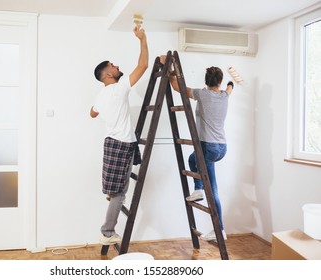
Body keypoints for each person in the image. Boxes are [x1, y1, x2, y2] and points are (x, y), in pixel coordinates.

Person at [161, 56, 233, 242]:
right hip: (222, 147)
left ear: (206, 81)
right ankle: (198, 189)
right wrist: (232, 82)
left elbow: (178, 88)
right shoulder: (225, 95)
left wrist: (170, 74)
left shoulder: (202, 94)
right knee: (193, 159)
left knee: (213, 190)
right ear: (220, 81)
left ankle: (220, 230)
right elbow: (230, 88)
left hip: (207, 147)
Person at [90, 26, 148, 245]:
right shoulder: (118, 88)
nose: (117, 66)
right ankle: (107, 232)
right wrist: (143, 39)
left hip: (113, 143)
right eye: (113, 66)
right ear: (108, 74)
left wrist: (102, 107)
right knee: (120, 195)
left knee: (116, 190)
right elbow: (143, 65)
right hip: (122, 144)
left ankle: (111, 194)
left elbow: (92, 113)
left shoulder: (102, 94)